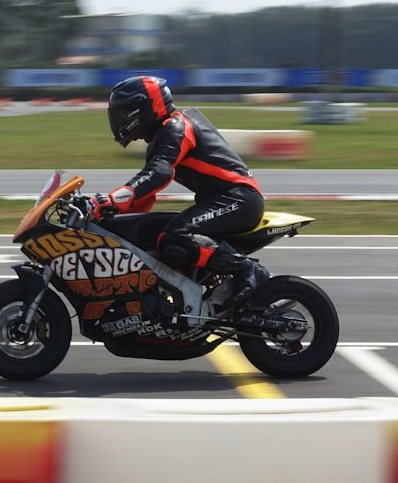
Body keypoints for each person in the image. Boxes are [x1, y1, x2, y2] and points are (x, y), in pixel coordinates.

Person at [89, 75, 270, 308]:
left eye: (126, 111)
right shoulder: (161, 136)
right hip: (223, 200)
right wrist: (108, 218)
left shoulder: (177, 127)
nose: (121, 119)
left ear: (145, 106)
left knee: (174, 236)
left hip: (239, 199)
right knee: (153, 236)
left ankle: (247, 270)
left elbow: (160, 173)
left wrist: (110, 199)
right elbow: (145, 195)